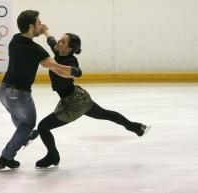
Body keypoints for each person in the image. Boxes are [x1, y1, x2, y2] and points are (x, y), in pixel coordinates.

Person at [35, 25, 151, 168]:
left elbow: (76, 72)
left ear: (69, 49)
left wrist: (52, 65)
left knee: (43, 127)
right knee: (105, 114)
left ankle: (53, 156)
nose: (59, 42)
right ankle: (135, 127)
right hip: (76, 98)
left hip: (75, 103)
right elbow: (51, 40)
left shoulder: (70, 61)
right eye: (60, 39)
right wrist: (44, 30)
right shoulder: (59, 51)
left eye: (63, 42)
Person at [0, 10, 74, 170]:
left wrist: (46, 32)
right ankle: (6, 157)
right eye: (39, 23)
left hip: (3, 91)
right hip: (18, 94)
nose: (41, 25)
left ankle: (24, 137)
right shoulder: (37, 50)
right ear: (31, 27)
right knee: (28, 124)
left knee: (18, 117)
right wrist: (72, 71)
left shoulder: (15, 39)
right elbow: (56, 68)